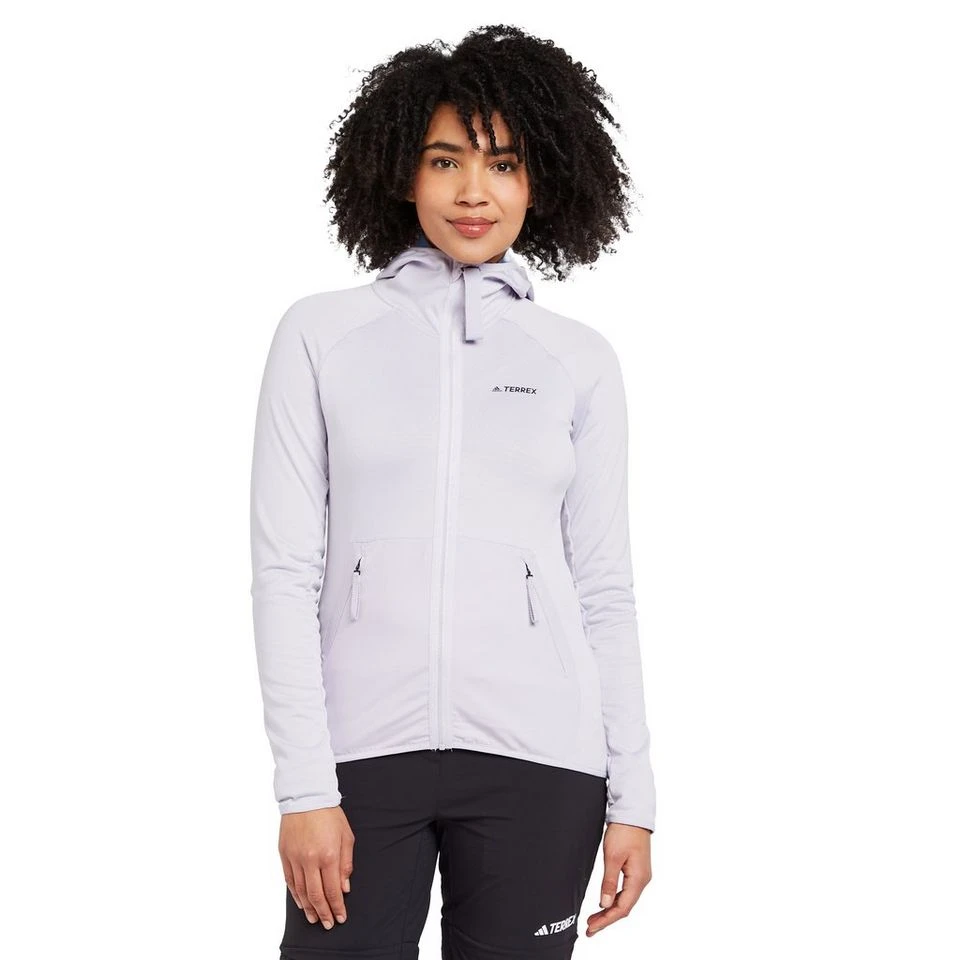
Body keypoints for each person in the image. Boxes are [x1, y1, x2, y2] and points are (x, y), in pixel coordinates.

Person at [249, 24, 656, 960]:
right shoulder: (321, 336)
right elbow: (283, 573)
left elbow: (605, 590)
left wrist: (633, 796)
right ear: (403, 173)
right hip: (359, 759)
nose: (475, 191)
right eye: (445, 161)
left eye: (504, 164)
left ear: (542, 180)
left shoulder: (577, 360)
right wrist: (304, 787)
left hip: (543, 763)